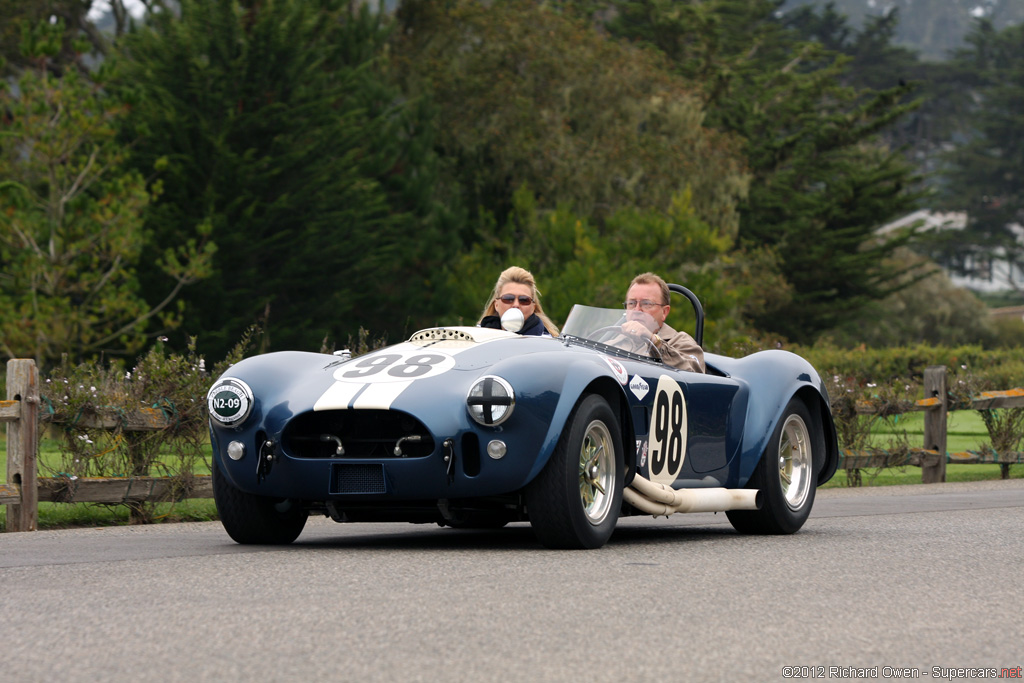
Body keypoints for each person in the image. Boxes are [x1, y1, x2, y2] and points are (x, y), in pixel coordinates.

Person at [619, 272, 704, 373]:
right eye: (632, 303)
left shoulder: (681, 342)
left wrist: (654, 341)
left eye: (646, 304)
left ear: (664, 312)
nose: (637, 310)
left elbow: (694, 377)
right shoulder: (612, 340)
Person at [478, 266, 560, 337]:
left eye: (524, 300)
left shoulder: (547, 344)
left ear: (533, 307)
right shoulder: (475, 339)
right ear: (496, 305)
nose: (516, 305)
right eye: (508, 299)